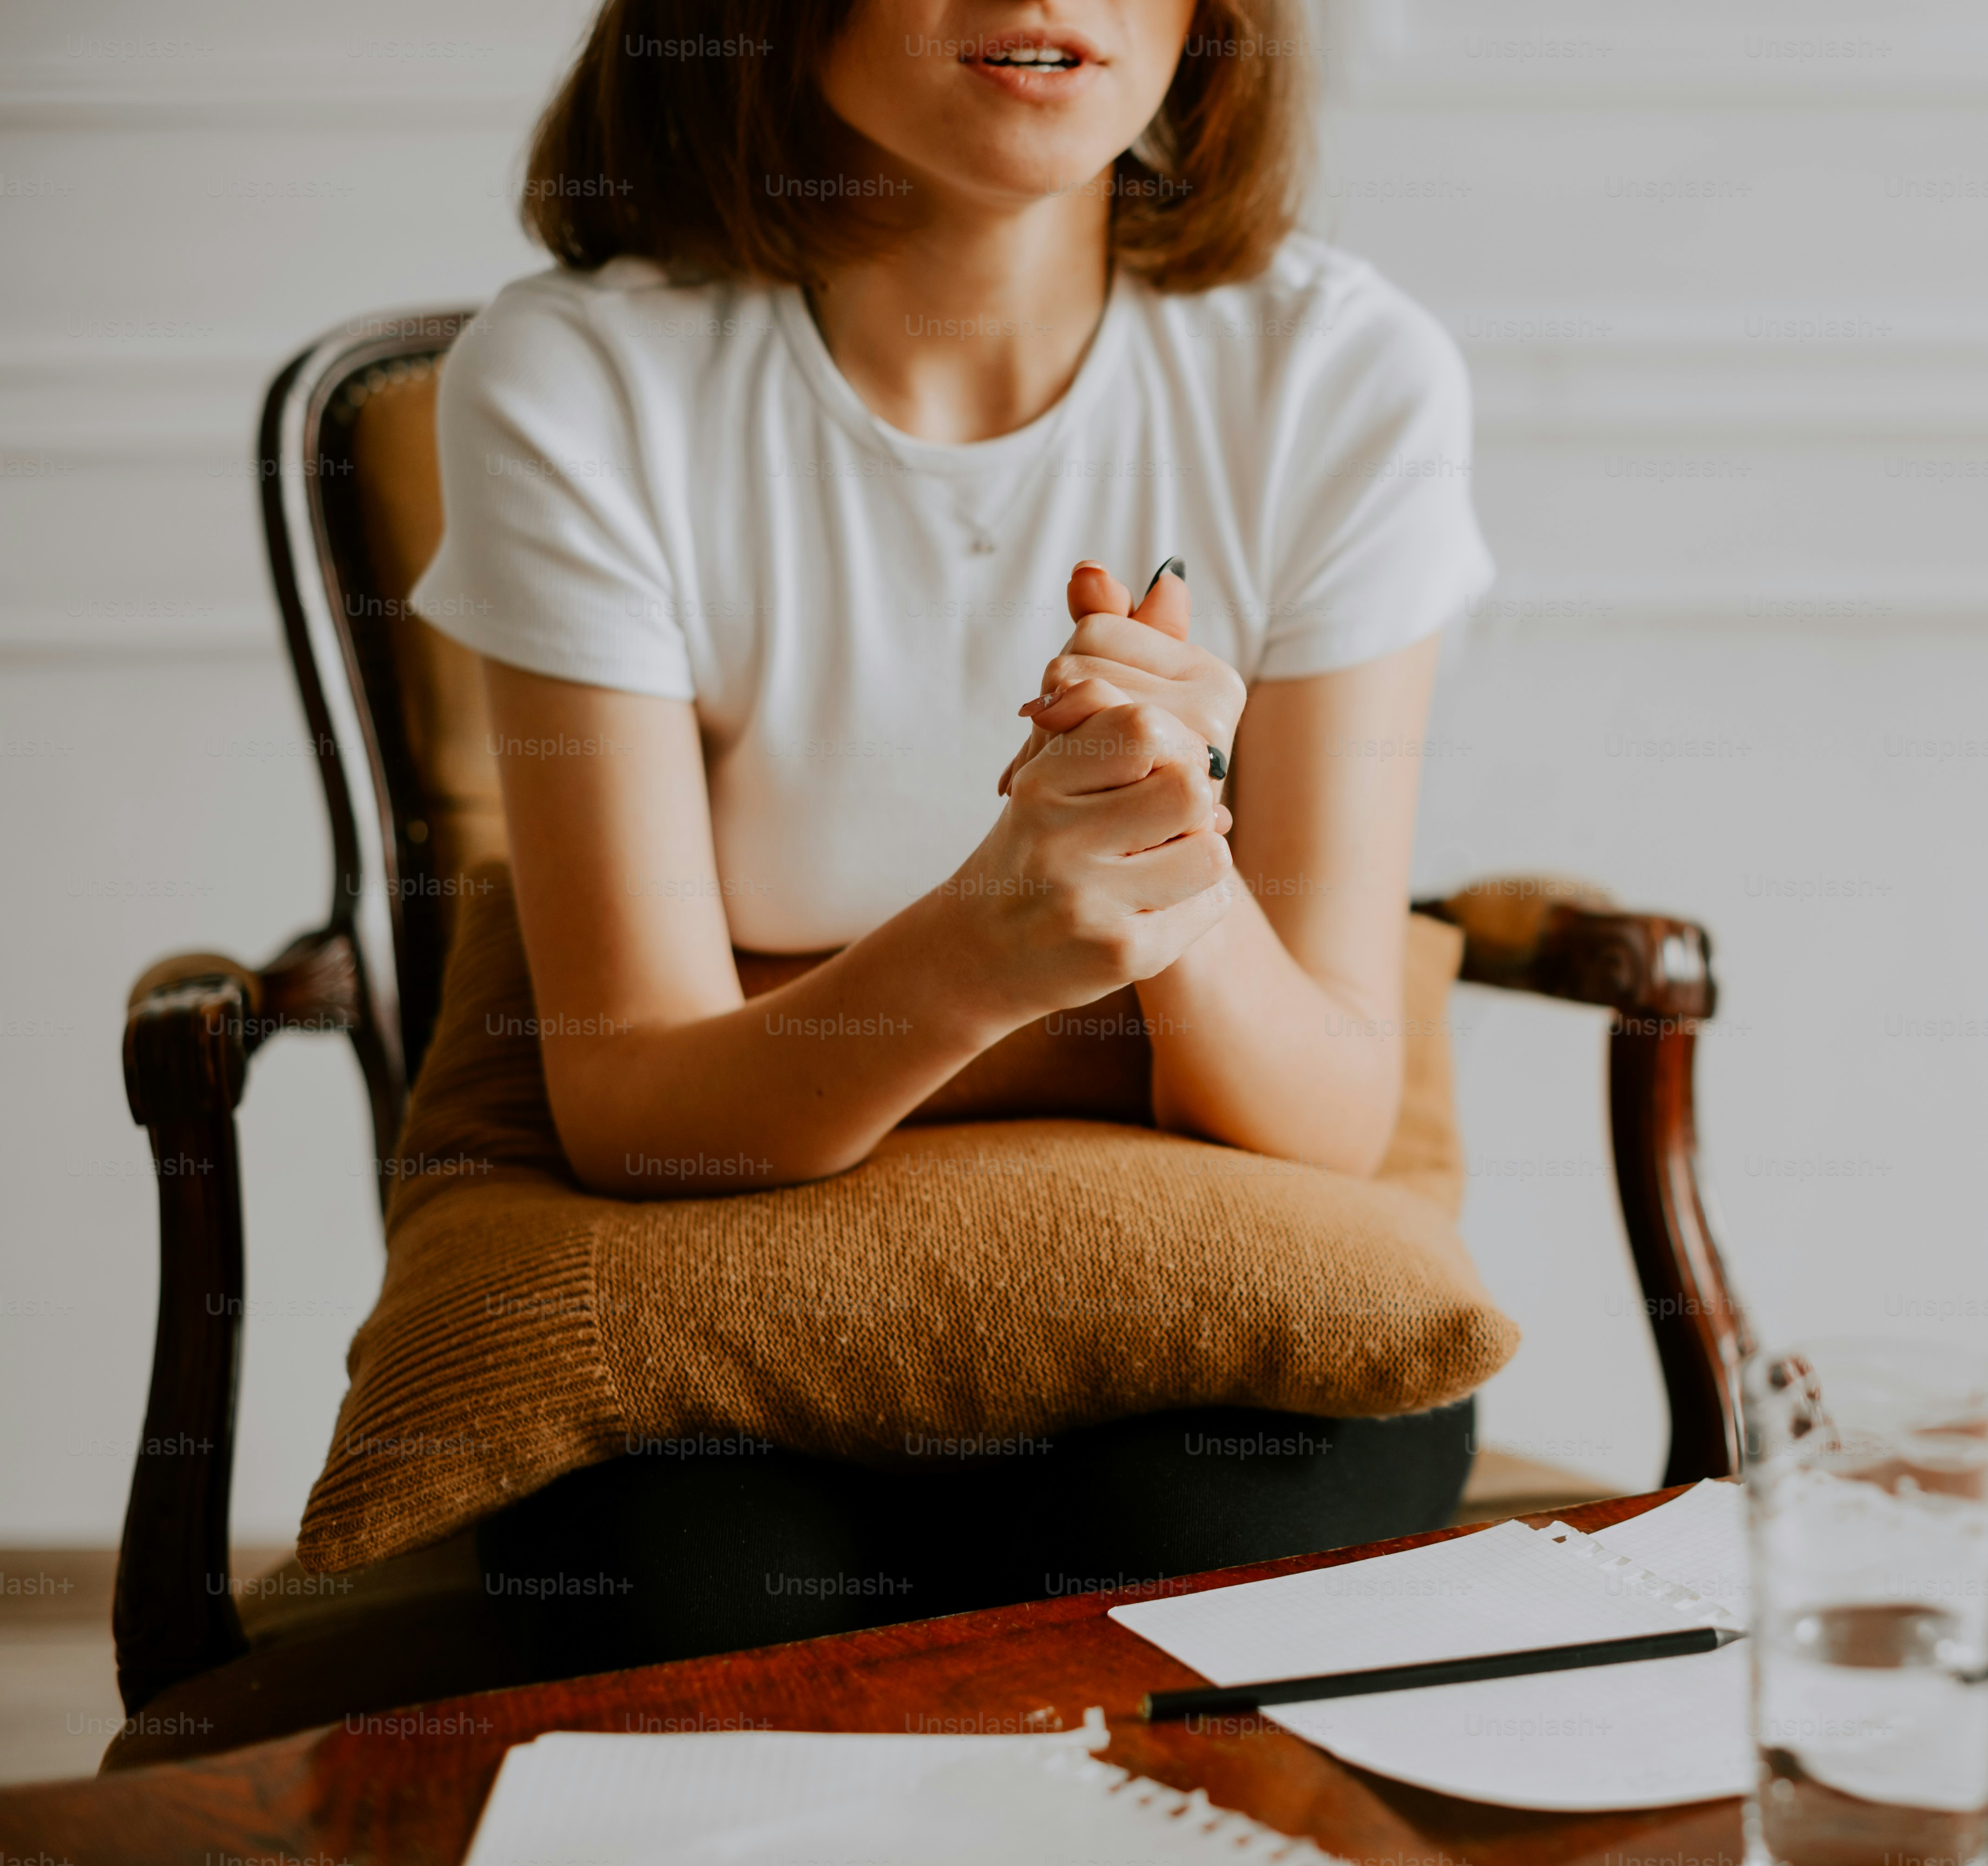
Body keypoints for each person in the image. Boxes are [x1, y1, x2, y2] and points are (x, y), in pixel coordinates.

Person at [409, 0, 1493, 1673]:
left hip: (1203, 1266)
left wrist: (1169, 855)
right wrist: (987, 945)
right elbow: (634, 1107)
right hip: (725, 1278)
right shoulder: (583, 377)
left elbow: (1330, 1113)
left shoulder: (1342, 371)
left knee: (1193, 1572)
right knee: (693, 1611)